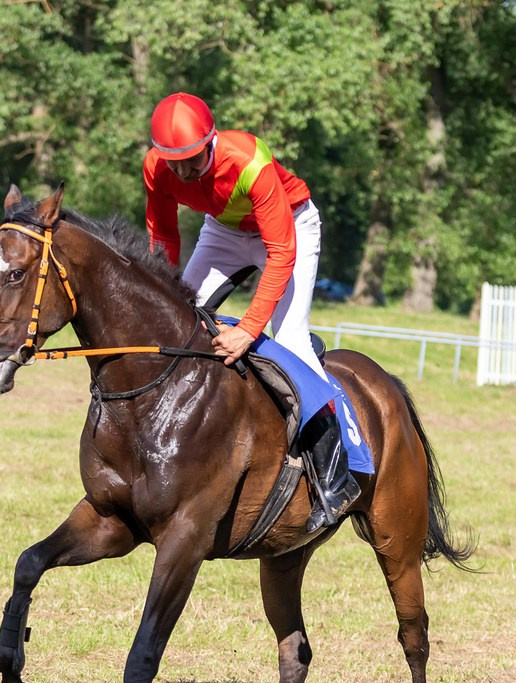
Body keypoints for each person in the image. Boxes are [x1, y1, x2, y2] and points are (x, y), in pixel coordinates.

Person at [143, 92, 360, 530]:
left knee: (291, 341)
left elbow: (281, 252)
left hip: (289, 226)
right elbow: (163, 237)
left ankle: (336, 473)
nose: (182, 171)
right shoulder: (156, 166)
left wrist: (249, 328)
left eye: (192, 159)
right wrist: (159, 297)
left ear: (211, 139)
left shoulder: (249, 160)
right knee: (176, 324)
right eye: (174, 161)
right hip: (223, 231)